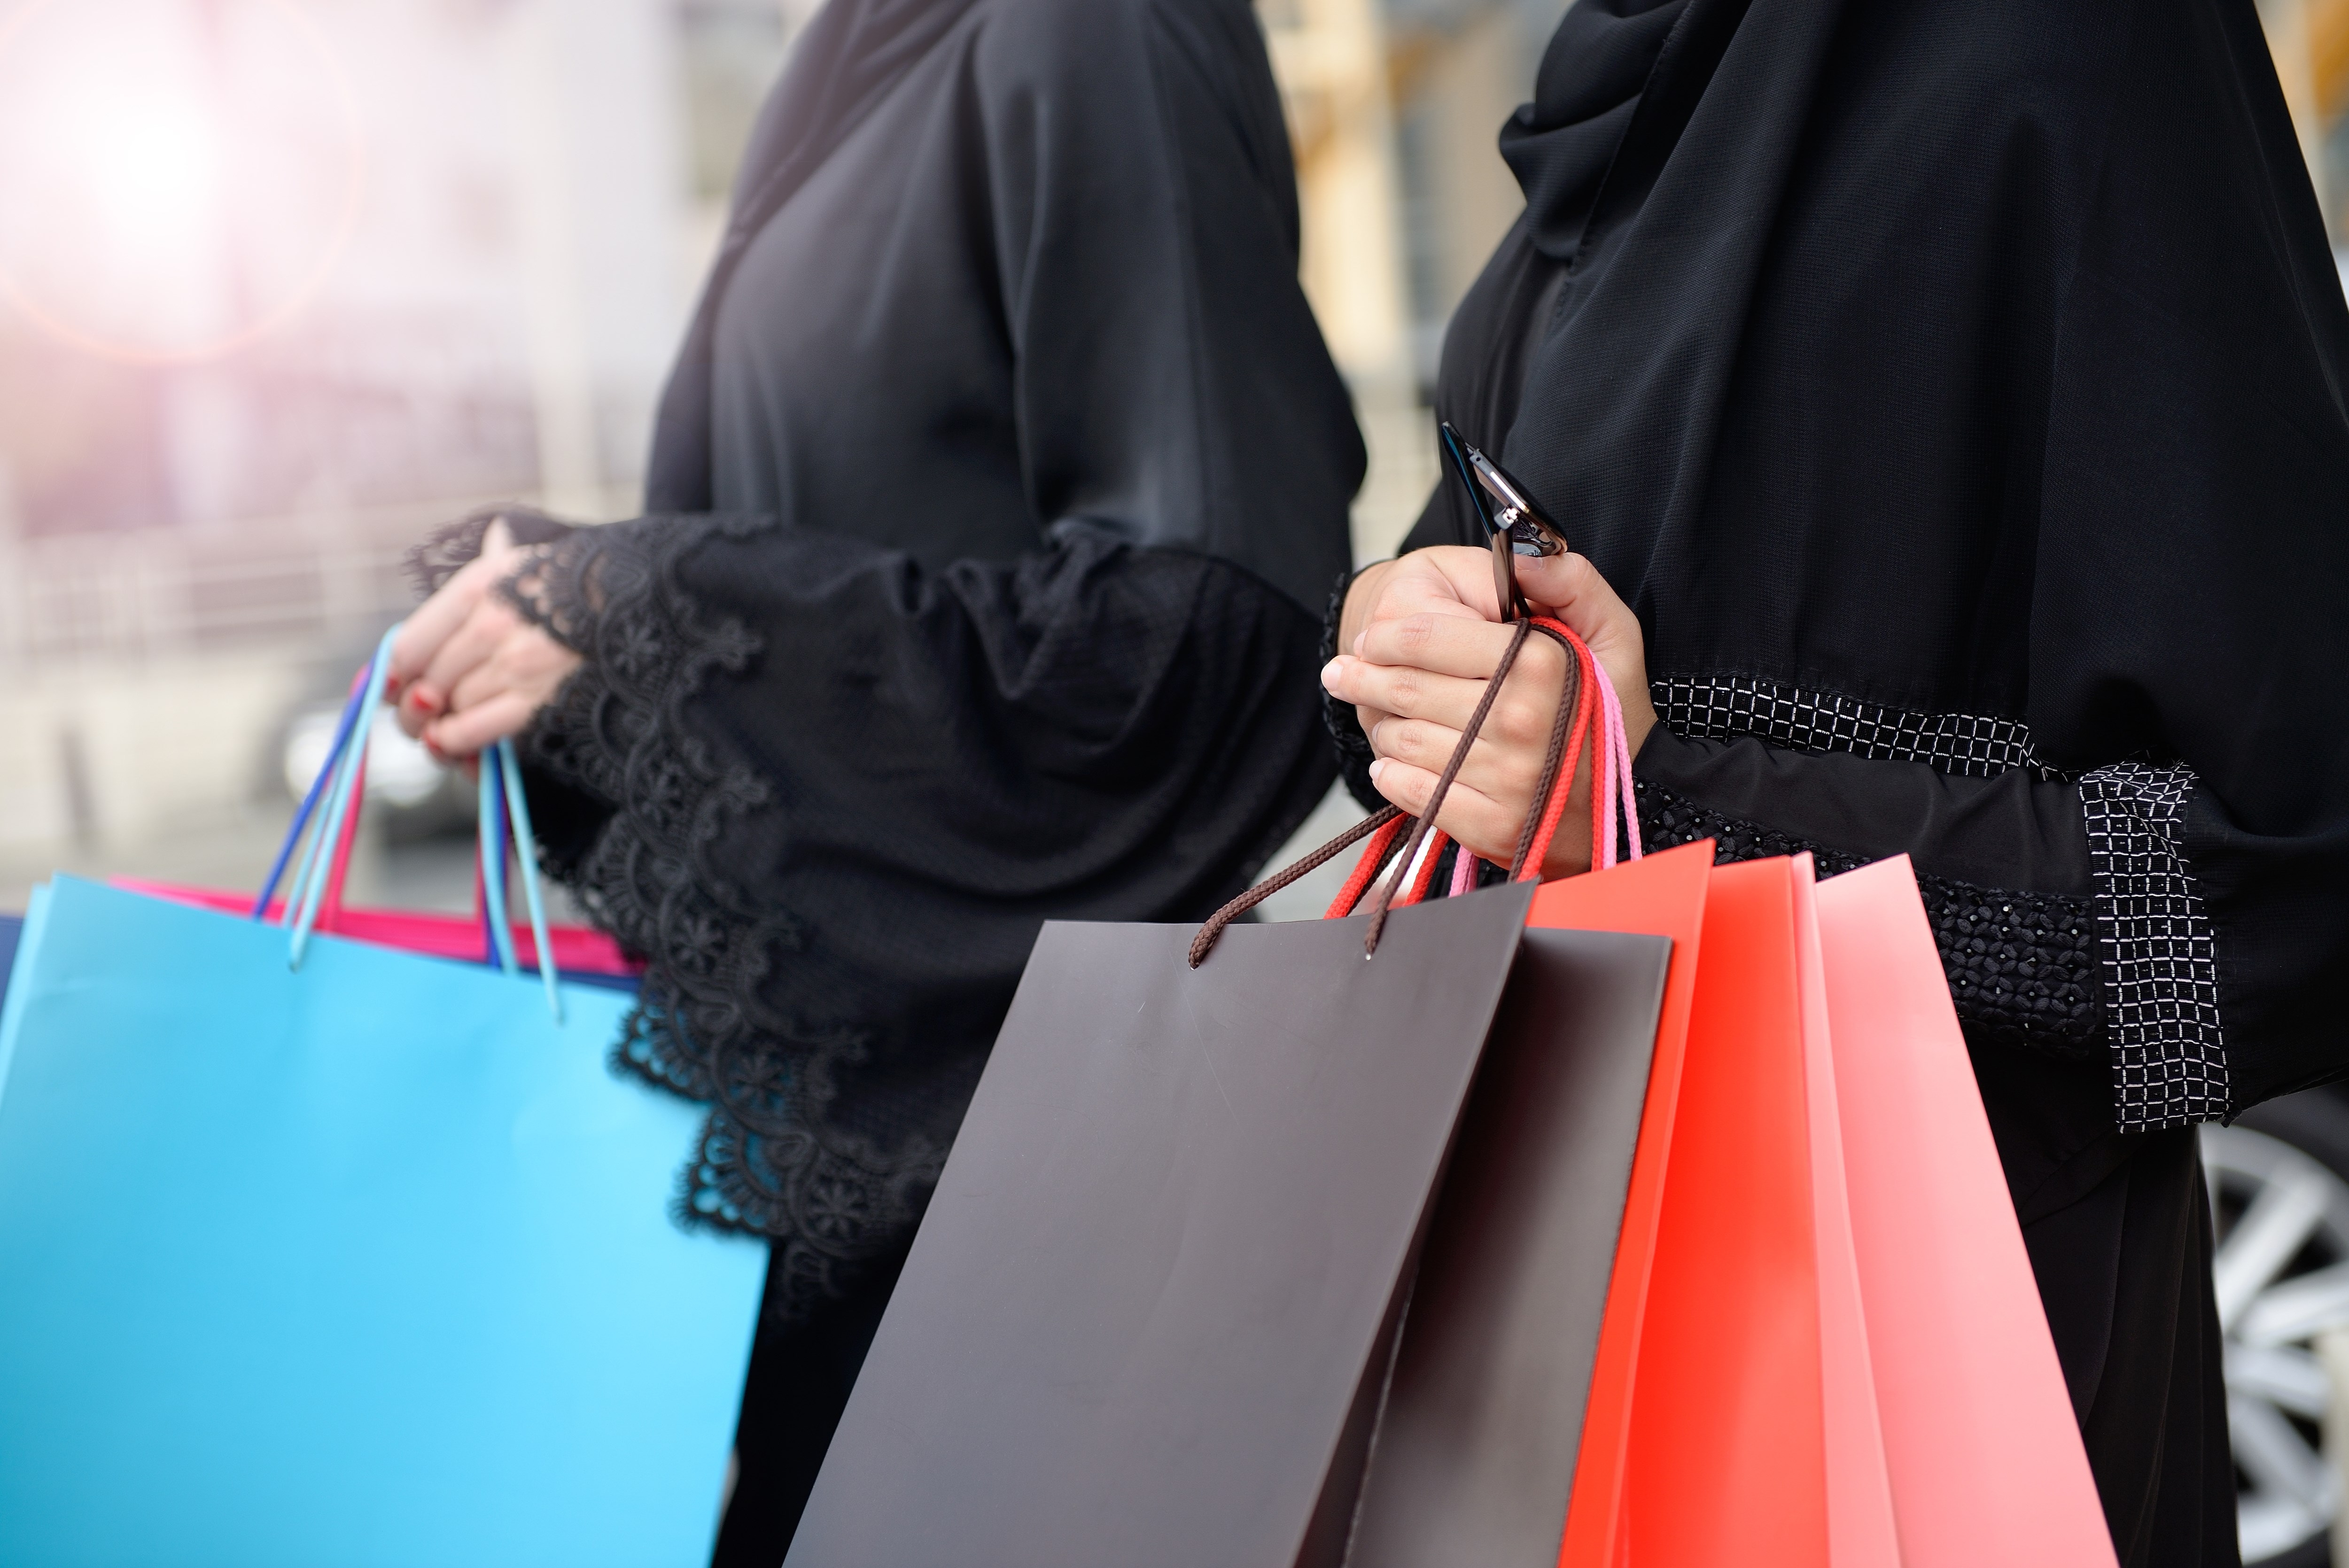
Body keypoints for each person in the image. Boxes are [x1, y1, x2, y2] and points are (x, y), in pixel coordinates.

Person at [1318, 1, 2349, 1563]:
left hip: (1930, 1324)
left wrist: (1662, 791)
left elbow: (2288, 876)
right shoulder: (1632, 88)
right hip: (1577, 1271)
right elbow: (1519, 573)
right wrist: (1403, 639)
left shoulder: (2079, 48)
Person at [388, 0, 1362, 1558]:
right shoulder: (859, 58)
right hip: (858, 1218)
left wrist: (655, 606)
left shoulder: (1088, 31)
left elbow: (1206, 636)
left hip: (1029, 1249)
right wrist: (586, 628)